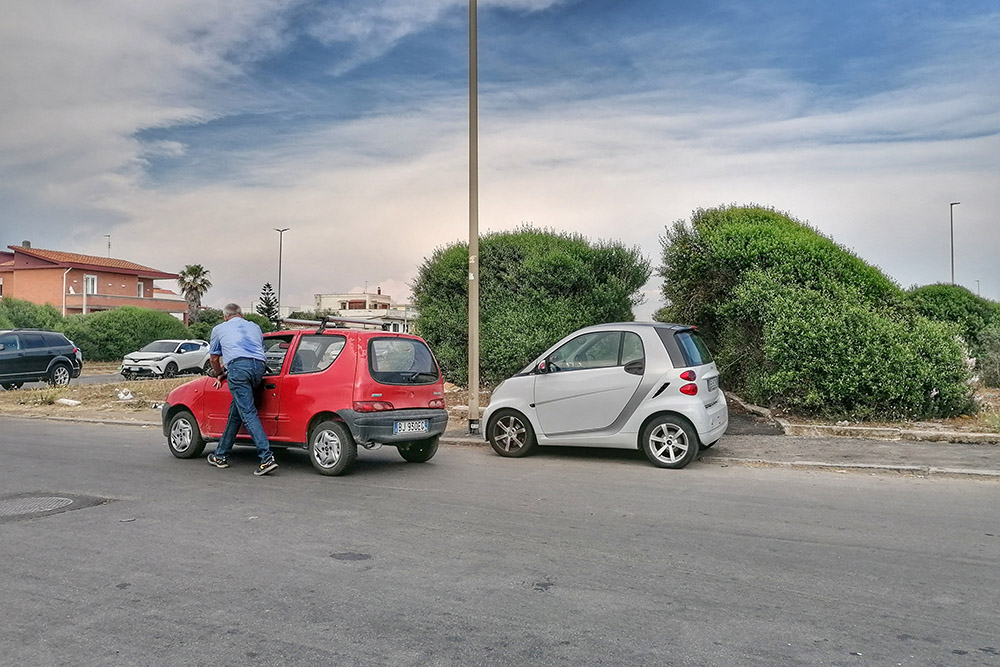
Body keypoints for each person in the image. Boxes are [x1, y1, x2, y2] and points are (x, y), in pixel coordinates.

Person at [206, 303, 278, 476]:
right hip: (259, 368)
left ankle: (266, 457)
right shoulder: (255, 327)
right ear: (241, 314)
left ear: (225, 316)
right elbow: (259, 351)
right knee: (236, 412)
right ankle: (220, 455)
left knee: (247, 412)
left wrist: (220, 373)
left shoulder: (219, 329)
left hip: (238, 369)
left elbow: (214, 358)